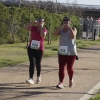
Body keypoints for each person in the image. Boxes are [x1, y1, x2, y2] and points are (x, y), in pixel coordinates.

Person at [54, 16, 77, 89]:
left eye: (67, 21)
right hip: (62, 51)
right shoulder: (61, 30)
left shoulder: (73, 29)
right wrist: (59, 27)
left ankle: (71, 79)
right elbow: (54, 34)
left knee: (69, 68)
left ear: (70, 22)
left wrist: (70, 28)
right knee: (61, 67)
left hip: (71, 52)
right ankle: (61, 82)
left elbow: (73, 36)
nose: (66, 22)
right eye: (64, 21)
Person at [25, 17, 47, 85]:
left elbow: (42, 35)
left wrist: (41, 27)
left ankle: (38, 76)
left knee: (38, 63)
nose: (40, 22)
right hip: (31, 48)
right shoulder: (33, 28)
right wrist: (32, 22)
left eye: (41, 21)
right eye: (39, 21)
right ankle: (31, 78)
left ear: (43, 23)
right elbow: (26, 27)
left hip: (39, 49)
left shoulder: (44, 29)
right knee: (32, 62)